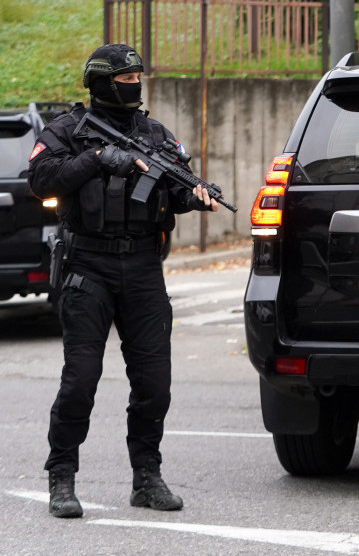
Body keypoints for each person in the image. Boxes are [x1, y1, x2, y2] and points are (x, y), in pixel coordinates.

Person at [28, 44, 219, 518]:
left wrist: (194, 196)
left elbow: (176, 187)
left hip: (143, 268)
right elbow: (41, 180)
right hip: (87, 266)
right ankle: (62, 477)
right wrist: (98, 159)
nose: (134, 85)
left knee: (155, 384)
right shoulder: (67, 130)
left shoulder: (154, 133)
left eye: (137, 77)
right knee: (80, 381)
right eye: (125, 78)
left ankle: (146, 478)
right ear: (101, 82)